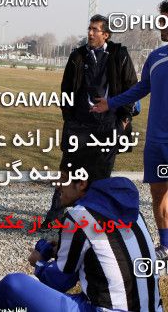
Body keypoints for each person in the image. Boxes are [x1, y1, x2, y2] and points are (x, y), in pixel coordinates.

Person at [92, 0, 168, 261]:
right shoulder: (156, 57)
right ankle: (166, 246)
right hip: (156, 142)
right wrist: (111, 103)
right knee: (158, 193)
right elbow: (141, 88)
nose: (160, 25)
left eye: (165, 21)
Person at [0, 150, 163, 312]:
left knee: (13, 284)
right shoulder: (133, 212)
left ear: (81, 183)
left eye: (63, 178)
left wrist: (39, 262)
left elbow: (58, 281)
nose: (58, 185)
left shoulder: (79, 216)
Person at [43, 14, 139, 226]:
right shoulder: (78, 56)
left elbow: (132, 87)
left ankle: (90, 220)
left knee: (99, 177)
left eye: (95, 29)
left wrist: (123, 121)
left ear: (106, 34)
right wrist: (70, 120)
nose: (90, 33)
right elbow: (66, 90)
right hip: (80, 125)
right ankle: (54, 216)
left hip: (108, 127)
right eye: (89, 28)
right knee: (67, 172)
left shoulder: (119, 55)